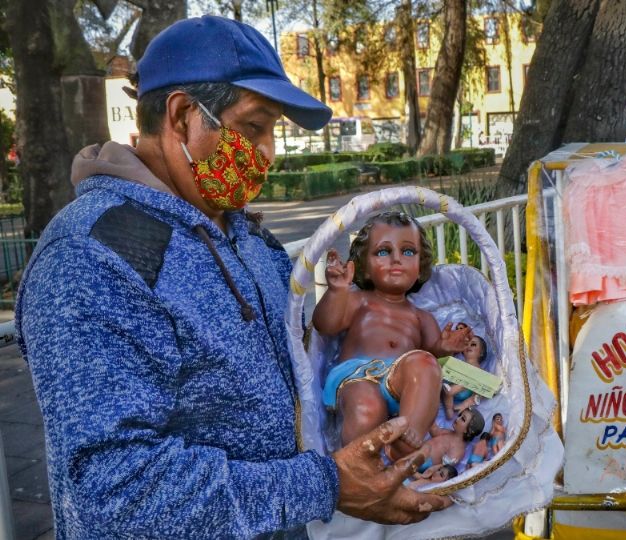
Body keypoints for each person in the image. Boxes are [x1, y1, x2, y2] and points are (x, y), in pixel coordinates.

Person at [15, 15, 450, 538]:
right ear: (181, 116)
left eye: (273, 131)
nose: (268, 152)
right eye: (252, 127)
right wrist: (325, 484)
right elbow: (113, 491)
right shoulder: (93, 256)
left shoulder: (245, 234)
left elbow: (301, 358)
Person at [314, 211, 473, 458]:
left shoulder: (421, 317)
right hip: (358, 376)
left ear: (420, 268)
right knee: (367, 406)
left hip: (400, 380)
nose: (396, 259)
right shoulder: (359, 301)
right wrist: (336, 292)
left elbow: (431, 349)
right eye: (383, 252)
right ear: (364, 268)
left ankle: (406, 441)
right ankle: (359, 461)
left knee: (426, 363)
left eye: (408, 252)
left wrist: (444, 345)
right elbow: (325, 325)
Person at [418, 408, 485, 473]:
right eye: (459, 415)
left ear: (468, 430)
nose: (457, 419)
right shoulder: (449, 432)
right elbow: (435, 431)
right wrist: (429, 415)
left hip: (426, 462)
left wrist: (430, 472)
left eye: (462, 419)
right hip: (420, 450)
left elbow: (444, 467)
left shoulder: (459, 449)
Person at [442, 335, 487, 419]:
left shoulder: (480, 371)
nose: (469, 346)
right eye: (467, 344)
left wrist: (468, 402)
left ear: (481, 352)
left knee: (474, 377)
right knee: (445, 388)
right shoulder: (458, 364)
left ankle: (453, 395)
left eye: (473, 344)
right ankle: (449, 409)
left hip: (465, 391)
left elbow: (482, 389)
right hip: (450, 389)